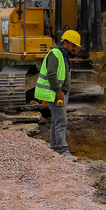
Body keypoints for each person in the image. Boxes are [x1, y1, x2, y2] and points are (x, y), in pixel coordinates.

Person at [35, 30, 82, 161]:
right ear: (65, 43)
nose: (75, 49)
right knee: (61, 122)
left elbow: (63, 74)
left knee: (56, 121)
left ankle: (54, 149)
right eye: (73, 46)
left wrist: (65, 89)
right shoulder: (55, 54)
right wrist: (59, 92)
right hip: (55, 94)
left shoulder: (62, 55)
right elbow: (51, 75)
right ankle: (63, 151)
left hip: (59, 93)